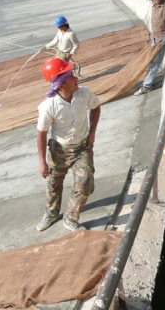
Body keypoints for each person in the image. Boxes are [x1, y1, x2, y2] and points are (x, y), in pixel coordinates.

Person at [36, 58, 101, 232]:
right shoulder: (48, 107)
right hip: (59, 151)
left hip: (82, 149)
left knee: (84, 183)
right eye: (71, 77)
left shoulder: (84, 94)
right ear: (61, 85)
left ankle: (70, 218)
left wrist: (92, 133)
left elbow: (96, 107)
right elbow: (41, 134)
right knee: (53, 185)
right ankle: (52, 213)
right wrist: (42, 162)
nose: (76, 79)